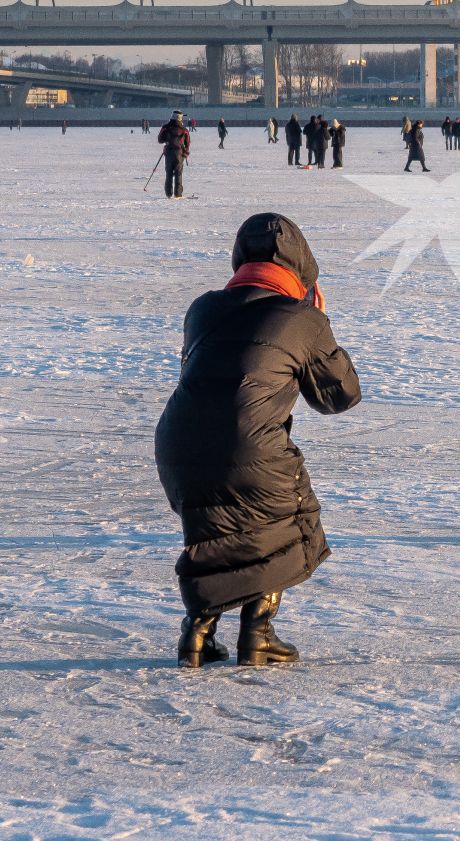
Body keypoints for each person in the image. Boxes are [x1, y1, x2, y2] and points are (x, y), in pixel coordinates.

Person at [153, 213, 361, 667]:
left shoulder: (202, 307)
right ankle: (258, 633)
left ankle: (197, 635)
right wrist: (318, 324)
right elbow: (339, 396)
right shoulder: (302, 318)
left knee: (217, 531)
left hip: (178, 445)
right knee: (289, 523)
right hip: (249, 444)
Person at [158, 110, 191, 199]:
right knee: (178, 174)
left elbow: (160, 140)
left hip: (168, 153)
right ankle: (178, 194)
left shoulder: (165, 127)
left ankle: (168, 194)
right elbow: (187, 143)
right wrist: (185, 154)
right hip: (180, 154)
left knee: (168, 173)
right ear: (180, 118)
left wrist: (168, 140)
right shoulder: (184, 130)